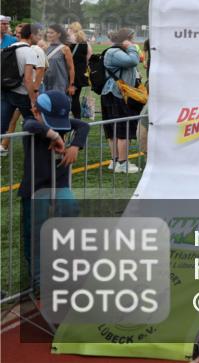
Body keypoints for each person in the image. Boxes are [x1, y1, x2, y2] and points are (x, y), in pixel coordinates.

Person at [19, 91, 87, 287]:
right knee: (35, 234)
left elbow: (83, 126)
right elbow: (30, 124)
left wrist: (75, 146)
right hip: (35, 188)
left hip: (60, 184)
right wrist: (55, 136)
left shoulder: (63, 122)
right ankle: (38, 281)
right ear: (35, 111)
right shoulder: (32, 123)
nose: (58, 125)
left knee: (70, 213)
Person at [101, 28, 142, 174]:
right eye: (131, 39)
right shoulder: (114, 52)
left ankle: (116, 161)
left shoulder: (115, 51)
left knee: (115, 129)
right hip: (116, 94)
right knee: (121, 129)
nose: (133, 42)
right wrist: (131, 47)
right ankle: (122, 163)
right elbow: (133, 61)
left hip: (113, 93)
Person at [0, 23, 44, 156]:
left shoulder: (9, 47)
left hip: (6, 90)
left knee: (2, 125)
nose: (39, 38)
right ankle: (37, 154)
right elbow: (28, 79)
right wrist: (33, 99)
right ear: (31, 35)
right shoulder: (29, 51)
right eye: (38, 35)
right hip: (22, 94)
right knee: (33, 123)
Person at [42, 24, 76, 99]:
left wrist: (71, 85)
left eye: (51, 33)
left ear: (59, 34)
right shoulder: (45, 48)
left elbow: (71, 68)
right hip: (46, 83)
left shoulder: (65, 49)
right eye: (48, 32)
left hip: (60, 84)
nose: (48, 35)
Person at [67, 22, 92, 118]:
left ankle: (67, 118)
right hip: (81, 73)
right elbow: (89, 57)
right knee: (76, 97)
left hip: (70, 72)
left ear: (71, 29)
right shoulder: (85, 42)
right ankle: (77, 118)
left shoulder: (69, 41)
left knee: (67, 97)